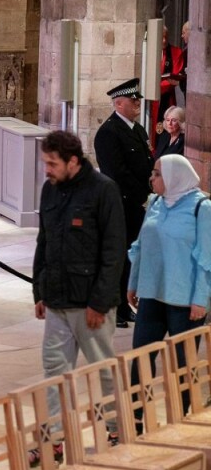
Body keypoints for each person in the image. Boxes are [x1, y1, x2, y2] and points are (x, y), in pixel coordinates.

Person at [34, 130, 125, 461]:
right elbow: (44, 240)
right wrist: (38, 290)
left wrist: (99, 301)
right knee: (53, 372)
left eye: (52, 163)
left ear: (73, 161)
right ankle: (53, 438)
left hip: (90, 305)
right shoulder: (50, 189)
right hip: (56, 301)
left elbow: (114, 251)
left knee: (102, 369)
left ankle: (118, 430)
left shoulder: (103, 190)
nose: (47, 169)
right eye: (45, 162)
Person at [128, 154, 211, 414]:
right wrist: (133, 283)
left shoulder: (202, 207)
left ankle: (181, 418)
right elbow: (140, 247)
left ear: (175, 176)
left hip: (184, 300)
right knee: (140, 358)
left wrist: (200, 299)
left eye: (157, 174)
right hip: (152, 292)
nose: (152, 179)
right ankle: (137, 419)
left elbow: (206, 257)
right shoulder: (155, 202)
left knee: (181, 362)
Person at [93, 78, 153, 328]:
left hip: (138, 204)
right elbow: (116, 172)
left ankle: (125, 305)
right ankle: (114, 307)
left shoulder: (137, 129)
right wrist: (142, 195)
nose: (137, 103)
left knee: (132, 256)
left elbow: (147, 164)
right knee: (118, 256)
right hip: (122, 205)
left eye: (137, 99)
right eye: (132, 100)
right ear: (119, 104)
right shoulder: (108, 132)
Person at [152, 27, 184, 137]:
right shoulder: (149, 52)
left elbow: (174, 78)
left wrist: (155, 87)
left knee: (165, 129)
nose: (164, 41)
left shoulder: (176, 52)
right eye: (162, 37)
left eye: (166, 37)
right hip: (151, 101)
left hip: (166, 98)